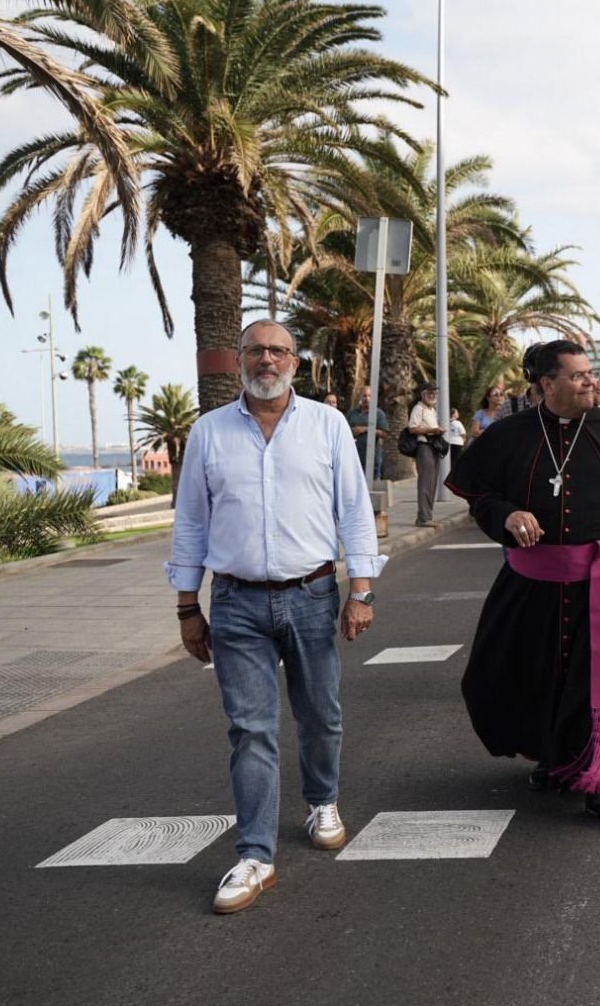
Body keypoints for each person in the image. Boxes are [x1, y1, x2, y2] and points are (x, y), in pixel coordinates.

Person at [169, 320, 384, 915]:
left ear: (295, 361)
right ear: (241, 359)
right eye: (256, 350)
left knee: (320, 713)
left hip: (312, 595)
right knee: (250, 729)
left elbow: (353, 509)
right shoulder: (209, 432)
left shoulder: (327, 425)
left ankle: (322, 799)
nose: (267, 360)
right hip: (235, 602)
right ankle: (256, 856)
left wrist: (361, 590)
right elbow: (190, 522)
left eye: (278, 350)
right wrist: (187, 606)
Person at [444, 340, 600, 830]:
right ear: (548, 384)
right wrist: (507, 515)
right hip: (532, 583)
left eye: (591, 373)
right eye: (579, 375)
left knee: (592, 682)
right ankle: (553, 755)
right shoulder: (510, 434)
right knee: (524, 674)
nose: (591, 381)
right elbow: (480, 496)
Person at [408, 383, 446, 527]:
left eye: (434, 393)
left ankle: (428, 516)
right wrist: (431, 430)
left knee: (432, 483)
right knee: (425, 483)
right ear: (423, 394)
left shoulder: (431, 410)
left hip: (434, 447)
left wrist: (437, 430)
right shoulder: (418, 409)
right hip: (424, 447)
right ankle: (423, 518)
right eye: (430, 392)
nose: (432, 395)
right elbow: (412, 428)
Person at [347, 385, 387, 480]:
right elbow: (344, 430)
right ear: (360, 397)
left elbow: (384, 433)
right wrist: (352, 431)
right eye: (364, 396)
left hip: (372, 459)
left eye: (369, 396)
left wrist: (365, 429)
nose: (367, 399)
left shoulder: (378, 413)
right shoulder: (352, 413)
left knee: (371, 486)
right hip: (354, 458)